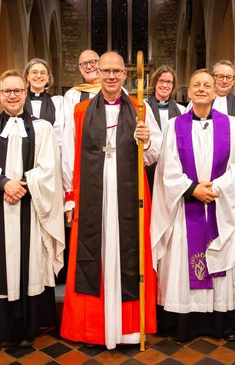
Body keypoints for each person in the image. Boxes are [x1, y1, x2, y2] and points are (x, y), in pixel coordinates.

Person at [60, 51, 162, 349]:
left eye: (117, 71)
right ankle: (94, 328)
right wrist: (70, 198)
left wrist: (147, 140)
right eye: (105, 71)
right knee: (95, 257)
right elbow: (69, 155)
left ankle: (127, 330)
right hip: (93, 197)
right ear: (96, 73)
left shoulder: (141, 108)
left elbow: (156, 155)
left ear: (126, 75)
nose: (111, 76)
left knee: (127, 255)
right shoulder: (80, 111)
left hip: (129, 196)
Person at [151, 69, 235, 342]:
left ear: (214, 92)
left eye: (206, 85)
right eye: (196, 84)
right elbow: (167, 167)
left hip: (219, 207)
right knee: (184, 259)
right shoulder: (175, 125)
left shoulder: (231, 123)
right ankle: (185, 323)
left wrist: (217, 189)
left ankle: (219, 321)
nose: (201, 89)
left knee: (218, 259)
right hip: (187, 206)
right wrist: (192, 189)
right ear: (187, 91)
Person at [0, 70, 64, 347]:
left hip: (30, 209)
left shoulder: (42, 128)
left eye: (17, 91)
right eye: (6, 91)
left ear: (25, 93)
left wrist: (22, 185)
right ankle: (0, 326)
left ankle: (27, 326)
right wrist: (3, 183)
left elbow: (49, 169)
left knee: (31, 262)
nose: (12, 96)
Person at [144, 65, 184, 189]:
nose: (165, 85)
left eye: (169, 82)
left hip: (173, 163)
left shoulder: (181, 110)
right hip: (150, 163)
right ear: (155, 82)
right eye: (161, 81)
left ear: (173, 86)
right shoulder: (144, 107)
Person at [188, 60, 235, 125]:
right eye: (220, 76)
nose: (224, 81)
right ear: (213, 78)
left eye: (229, 77)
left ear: (233, 81)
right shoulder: (197, 102)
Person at [23, 58, 65, 149]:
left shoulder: (57, 102)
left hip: (49, 150)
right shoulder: (19, 101)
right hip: (24, 149)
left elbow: (59, 132)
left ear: (48, 78)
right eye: (34, 72)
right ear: (27, 76)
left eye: (43, 73)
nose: (39, 76)